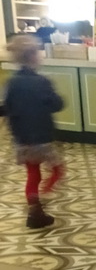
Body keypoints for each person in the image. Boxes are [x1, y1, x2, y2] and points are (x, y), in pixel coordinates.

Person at [3, 34, 65, 229]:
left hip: (22, 139)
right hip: (42, 138)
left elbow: (6, 107)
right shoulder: (42, 82)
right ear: (32, 56)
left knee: (33, 174)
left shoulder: (11, 83)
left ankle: (35, 210)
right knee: (57, 169)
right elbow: (56, 104)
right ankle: (45, 194)